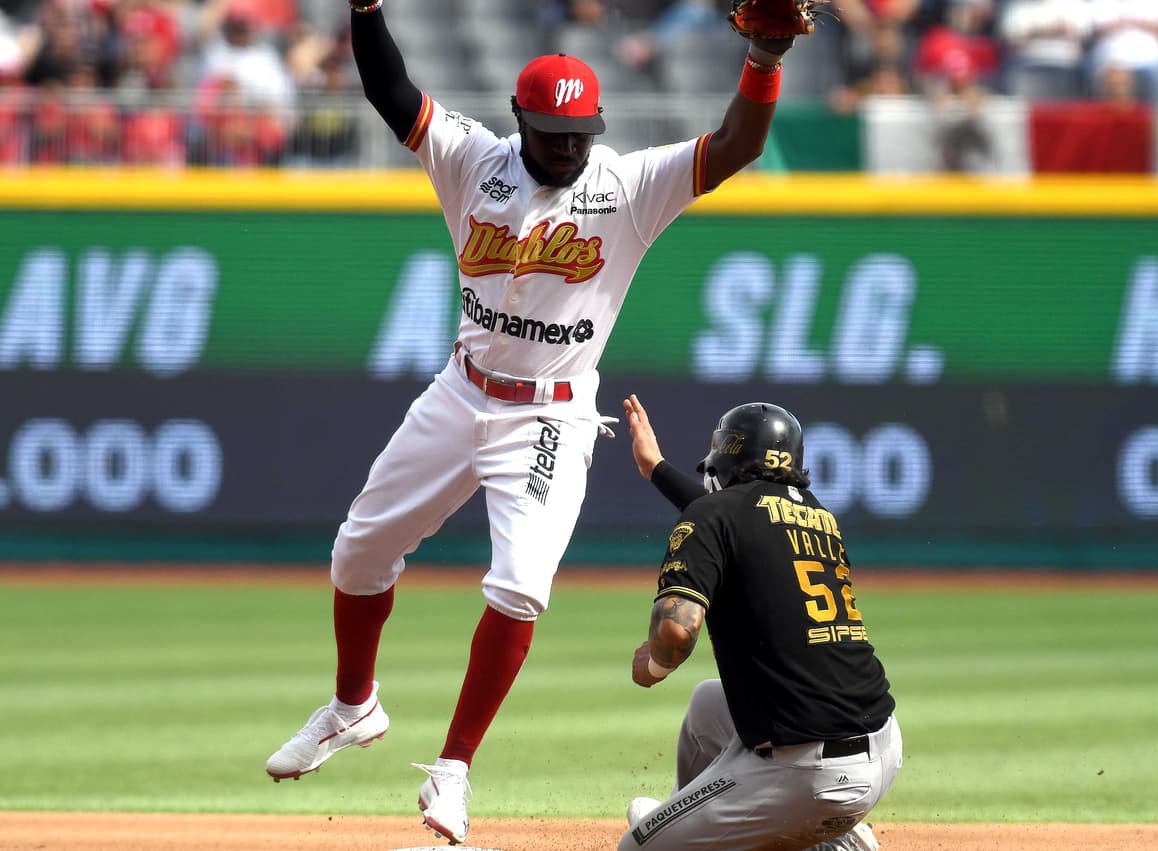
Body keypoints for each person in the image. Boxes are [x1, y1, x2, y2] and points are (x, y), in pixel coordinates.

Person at [264, 0, 810, 845]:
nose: (567, 146)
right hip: (460, 389)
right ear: (519, 120)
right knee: (359, 550)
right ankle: (351, 706)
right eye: (553, 133)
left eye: (580, 132)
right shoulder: (472, 160)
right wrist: (366, 9)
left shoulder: (626, 188)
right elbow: (388, 87)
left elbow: (736, 146)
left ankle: (453, 770)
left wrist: (764, 60)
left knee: (520, 584)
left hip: (549, 416)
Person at [617, 394, 902, 850]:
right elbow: (733, 516)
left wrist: (651, 665)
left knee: (636, 848)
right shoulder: (819, 517)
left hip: (810, 775)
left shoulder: (715, 515)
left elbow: (675, 632)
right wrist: (656, 468)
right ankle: (818, 838)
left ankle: (811, 840)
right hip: (882, 747)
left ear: (727, 456)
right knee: (708, 704)